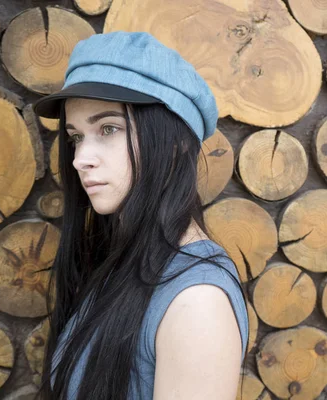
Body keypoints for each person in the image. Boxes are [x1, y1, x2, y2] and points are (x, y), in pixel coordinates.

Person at [33, 31, 249, 400]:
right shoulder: (120, 262)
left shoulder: (197, 302)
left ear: (178, 142)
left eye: (109, 128)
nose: (79, 158)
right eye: (76, 136)